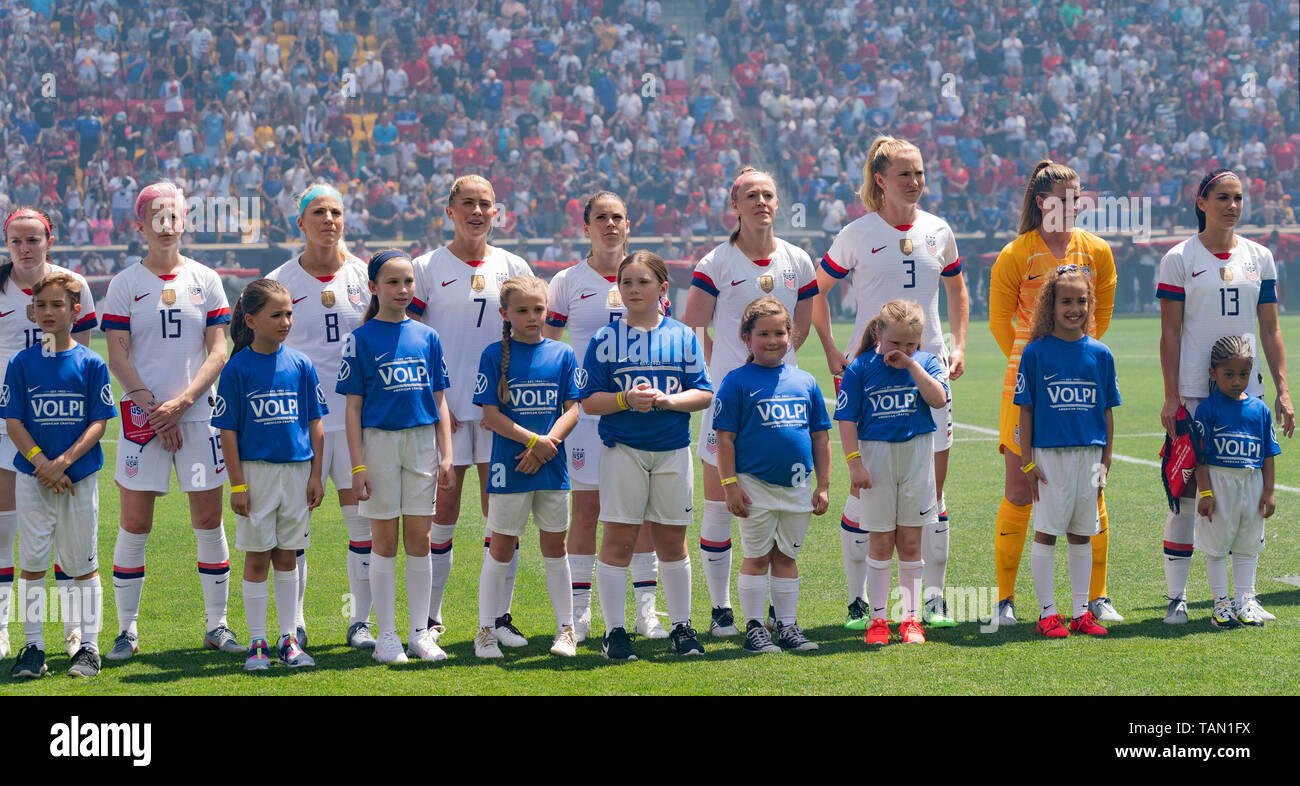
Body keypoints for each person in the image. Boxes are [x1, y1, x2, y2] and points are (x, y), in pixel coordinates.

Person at [811, 137, 969, 630]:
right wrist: (832, 347)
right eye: (906, 174)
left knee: (933, 492)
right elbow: (815, 292)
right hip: (870, 373)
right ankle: (861, 601)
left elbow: (958, 289)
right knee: (865, 491)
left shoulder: (938, 230)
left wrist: (958, 345)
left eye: (920, 172)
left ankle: (932, 602)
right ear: (881, 179)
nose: (916, 182)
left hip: (928, 371)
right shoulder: (856, 234)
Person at [101, 183, 236, 662]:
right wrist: (155, 412)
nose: (165, 223)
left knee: (208, 520)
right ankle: (126, 630)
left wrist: (181, 404)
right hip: (141, 422)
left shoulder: (207, 278)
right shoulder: (125, 283)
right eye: (155, 215)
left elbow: (220, 349)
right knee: (135, 523)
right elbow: (117, 358)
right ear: (140, 225)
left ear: (184, 222)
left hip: (198, 417)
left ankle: (217, 625)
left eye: (173, 214)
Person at [681, 167, 817, 638]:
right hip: (731, 402)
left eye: (769, 194)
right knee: (721, 503)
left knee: (780, 508)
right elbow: (693, 327)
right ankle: (721, 609)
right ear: (735, 206)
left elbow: (798, 325)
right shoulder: (716, 261)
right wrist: (725, 378)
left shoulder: (798, 260)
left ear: (778, 204)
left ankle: (779, 612)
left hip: (783, 405)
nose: (761, 202)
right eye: (751, 195)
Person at [1156, 169, 1293, 624]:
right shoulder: (1179, 257)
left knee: (1246, 495)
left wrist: (1282, 389)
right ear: (1201, 202)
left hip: (1247, 397)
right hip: (1197, 397)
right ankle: (1177, 597)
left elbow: (1271, 329)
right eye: (1221, 197)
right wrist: (1172, 395)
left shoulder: (1261, 257)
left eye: (1237, 198)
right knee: (1189, 495)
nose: (1231, 205)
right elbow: (1171, 332)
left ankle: (1244, 597)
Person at [988, 161, 1118, 628]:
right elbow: (1000, 322)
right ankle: (1006, 599)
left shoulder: (1098, 251)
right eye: (1063, 199)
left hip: (1080, 387)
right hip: (1024, 388)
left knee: (1092, 492)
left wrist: (1075, 360)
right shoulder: (1014, 254)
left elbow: (1099, 315)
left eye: (1077, 198)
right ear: (1043, 203)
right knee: (1021, 490)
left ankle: (1095, 599)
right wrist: (1037, 364)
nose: (1072, 206)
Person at [408, 175, 533, 645]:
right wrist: (432, 400)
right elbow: (413, 340)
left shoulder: (513, 264)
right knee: (443, 512)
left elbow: (528, 336)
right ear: (450, 210)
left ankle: (498, 617)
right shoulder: (426, 267)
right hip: (449, 411)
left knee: (501, 514)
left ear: (496, 213)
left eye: (486, 204)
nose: (477, 212)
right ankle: (432, 618)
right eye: (468, 203)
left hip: (501, 414)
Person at [543, 191, 666, 642]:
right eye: (601, 217)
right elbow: (550, 349)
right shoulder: (567, 281)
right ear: (586, 227)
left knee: (644, 514)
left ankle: (646, 613)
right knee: (588, 510)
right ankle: (578, 613)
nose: (610, 224)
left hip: (641, 415)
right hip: (589, 417)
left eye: (617, 217)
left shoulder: (644, 274)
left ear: (628, 225)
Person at [579, 251, 713, 660]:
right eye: (627, 283)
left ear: (662, 288)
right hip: (623, 450)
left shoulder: (683, 335)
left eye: (643, 282)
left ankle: (681, 627)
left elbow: (704, 392)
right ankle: (615, 631)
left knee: (673, 540)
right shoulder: (605, 339)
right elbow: (588, 400)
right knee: (618, 539)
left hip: (672, 449)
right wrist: (624, 399)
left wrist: (670, 401)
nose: (634, 290)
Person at [265, 184, 374, 649]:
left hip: (355, 424)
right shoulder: (280, 280)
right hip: (300, 425)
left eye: (336, 212)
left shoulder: (366, 276)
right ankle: (295, 624)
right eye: (318, 212)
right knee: (295, 531)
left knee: (362, 526)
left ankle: (361, 622)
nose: (329, 219)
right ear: (301, 223)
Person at [338, 250, 454, 664]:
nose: (403, 289)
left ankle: (419, 634)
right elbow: (352, 407)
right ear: (373, 288)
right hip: (379, 444)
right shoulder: (361, 338)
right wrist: (358, 464)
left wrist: (446, 455)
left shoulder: (427, 336)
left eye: (408, 282)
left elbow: (439, 400)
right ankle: (386, 637)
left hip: (422, 444)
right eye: (393, 282)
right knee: (384, 542)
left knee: (420, 540)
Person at [3, 273, 114, 678]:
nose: (49, 312)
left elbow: (99, 423)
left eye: (58, 305)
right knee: (32, 564)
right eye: (42, 306)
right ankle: (32, 647)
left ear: (75, 311)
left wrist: (63, 462)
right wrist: (41, 462)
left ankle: (88, 647)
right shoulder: (21, 362)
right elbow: (13, 420)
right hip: (33, 479)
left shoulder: (90, 362)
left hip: (77, 479)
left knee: (83, 563)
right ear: (32, 311)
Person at [214, 279, 325, 671]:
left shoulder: (301, 364)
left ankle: (287, 639)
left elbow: (315, 424)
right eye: (276, 315)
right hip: (256, 476)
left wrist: (316, 475)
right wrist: (238, 485)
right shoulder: (236, 368)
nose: (285, 321)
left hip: (296, 473)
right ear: (251, 320)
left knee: (288, 557)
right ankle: (257, 643)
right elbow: (228, 432)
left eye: (290, 313)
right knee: (258, 557)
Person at [713, 297, 830, 653]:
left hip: (797, 486)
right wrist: (730, 484)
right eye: (763, 333)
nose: (773, 340)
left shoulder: (806, 381)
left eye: (780, 332)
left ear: (791, 335)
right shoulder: (736, 381)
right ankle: (754, 628)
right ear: (746, 338)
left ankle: (788, 626)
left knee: (787, 557)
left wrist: (823, 485)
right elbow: (724, 439)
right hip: (753, 487)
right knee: (757, 556)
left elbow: (820, 438)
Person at [473, 276, 581, 658]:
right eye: (522, 310)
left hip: (552, 465)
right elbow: (491, 415)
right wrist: (534, 442)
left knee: (556, 546)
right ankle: (485, 630)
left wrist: (547, 444)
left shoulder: (561, 353)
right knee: (501, 546)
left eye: (538, 309)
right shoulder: (492, 354)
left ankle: (566, 630)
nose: (532, 316)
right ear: (505, 314)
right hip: (510, 465)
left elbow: (573, 409)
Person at [834, 300, 949, 646]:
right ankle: (879, 620)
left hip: (916, 460)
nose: (901, 350)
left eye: (910, 344)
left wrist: (912, 364)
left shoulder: (926, 363)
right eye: (895, 343)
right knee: (881, 541)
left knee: (911, 543)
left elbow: (939, 399)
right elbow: (847, 420)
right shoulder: (860, 368)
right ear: (878, 334)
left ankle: (911, 619)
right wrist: (855, 463)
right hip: (875, 461)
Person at [1015, 266, 1120, 638]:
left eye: (1081, 301)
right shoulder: (1036, 352)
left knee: (1082, 533)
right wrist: (1027, 461)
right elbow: (1025, 410)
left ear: (1090, 305)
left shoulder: (1101, 354)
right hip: (1048, 457)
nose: (1074, 308)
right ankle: (1047, 614)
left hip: (1090, 457)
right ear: (1051, 305)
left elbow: (1106, 412)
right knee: (1046, 532)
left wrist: (1105, 461)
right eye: (1066, 301)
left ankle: (1080, 613)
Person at [1190, 336, 1281, 627]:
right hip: (1219, 483)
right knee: (1217, 546)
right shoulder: (1208, 409)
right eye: (1228, 374)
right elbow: (1200, 457)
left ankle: (1245, 602)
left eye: (1243, 374)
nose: (1236, 381)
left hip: (1251, 483)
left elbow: (1268, 454)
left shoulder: (1259, 410)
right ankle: (1220, 605)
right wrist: (1205, 492)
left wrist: (1269, 491)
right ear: (1213, 373)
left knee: (1247, 545)